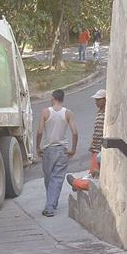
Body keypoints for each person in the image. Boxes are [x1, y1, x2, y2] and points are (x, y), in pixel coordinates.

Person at [36, 89, 78, 217]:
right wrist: (73, 149)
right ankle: (52, 203)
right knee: (56, 179)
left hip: (48, 150)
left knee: (49, 178)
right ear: (63, 99)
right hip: (62, 150)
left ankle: (49, 207)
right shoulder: (68, 113)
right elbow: (75, 132)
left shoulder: (45, 112)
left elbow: (39, 132)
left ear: (53, 98)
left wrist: (38, 147)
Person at [66, 89, 106, 191]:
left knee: (94, 176)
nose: (96, 102)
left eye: (98, 100)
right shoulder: (99, 112)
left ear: (105, 100)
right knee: (92, 173)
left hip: (100, 149)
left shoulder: (106, 113)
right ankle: (78, 183)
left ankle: (76, 183)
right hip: (95, 148)